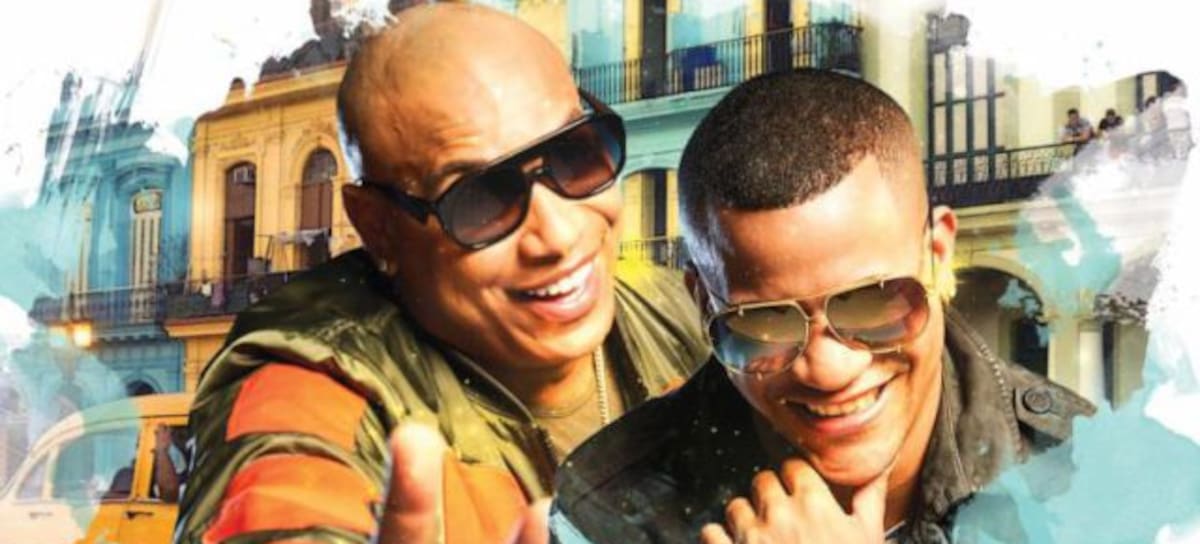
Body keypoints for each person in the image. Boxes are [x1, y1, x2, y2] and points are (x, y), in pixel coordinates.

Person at [172, 4, 708, 544]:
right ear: (378, 227)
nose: (560, 236)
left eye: (576, 155)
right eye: (481, 198)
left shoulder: (675, 311)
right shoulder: (309, 381)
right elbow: (281, 498)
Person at [550, 70, 1094, 543]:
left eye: (872, 303)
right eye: (765, 322)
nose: (829, 370)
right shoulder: (606, 508)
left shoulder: (1093, 479)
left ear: (937, 254)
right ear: (702, 302)